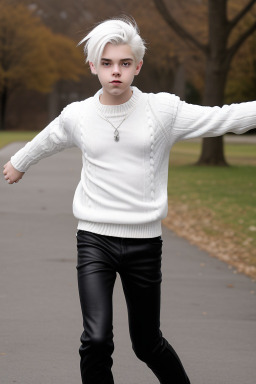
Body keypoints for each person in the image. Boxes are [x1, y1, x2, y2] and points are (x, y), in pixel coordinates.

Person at [3, 17, 256, 384]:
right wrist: (19, 162)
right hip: (94, 240)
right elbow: (49, 137)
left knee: (147, 343)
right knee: (96, 338)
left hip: (144, 243)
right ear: (93, 67)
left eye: (124, 63)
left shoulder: (163, 111)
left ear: (138, 66)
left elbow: (223, 117)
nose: (115, 72)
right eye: (106, 64)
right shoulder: (79, 115)